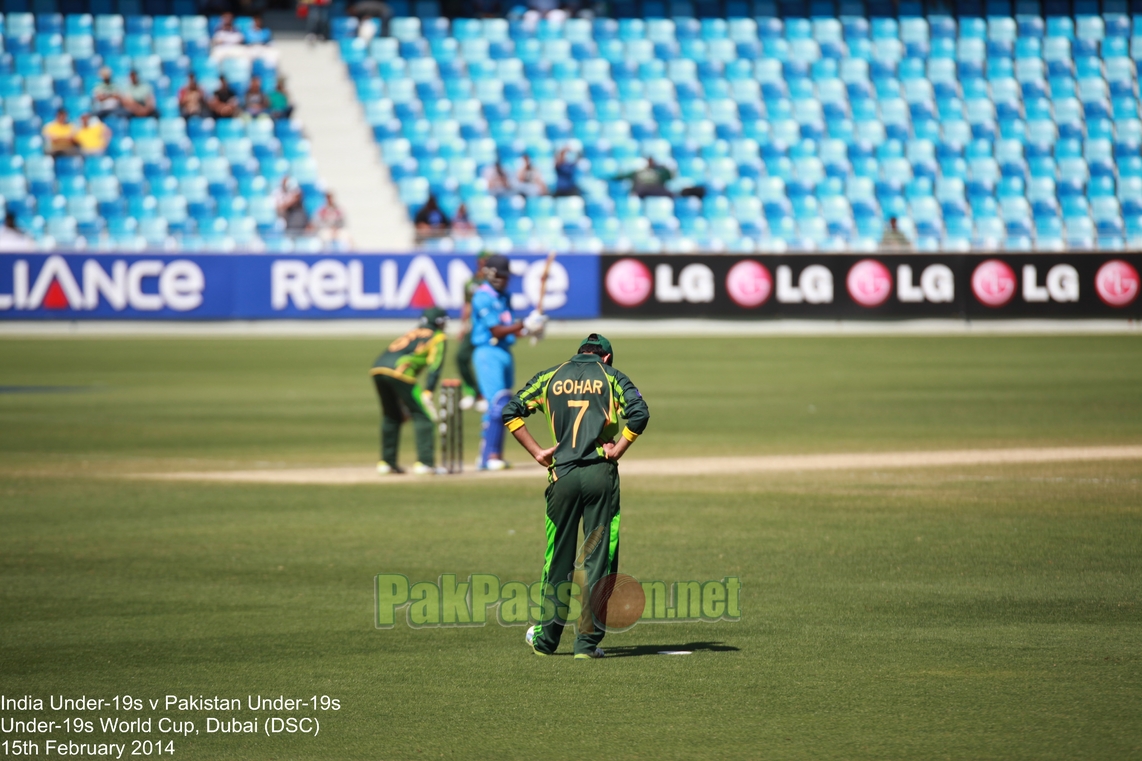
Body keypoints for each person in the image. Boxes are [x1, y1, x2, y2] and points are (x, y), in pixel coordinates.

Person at [504, 333, 649, 658]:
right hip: (600, 473)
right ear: (606, 358)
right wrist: (619, 449)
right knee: (599, 558)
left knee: (558, 557)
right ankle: (586, 643)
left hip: (562, 473)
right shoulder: (612, 377)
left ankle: (546, 640)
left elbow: (510, 412)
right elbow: (639, 413)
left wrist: (539, 453)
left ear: (579, 353)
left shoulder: (550, 377)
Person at [469, 254, 547, 470]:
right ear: (492, 275)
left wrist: (531, 329)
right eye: (501, 276)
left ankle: (496, 454)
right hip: (487, 351)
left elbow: (509, 330)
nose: (505, 280)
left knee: (505, 405)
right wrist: (523, 323)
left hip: (504, 351)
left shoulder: (505, 297)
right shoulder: (481, 296)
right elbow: (496, 330)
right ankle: (487, 456)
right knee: (496, 403)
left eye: (506, 276)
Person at [369, 308, 449, 476]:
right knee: (424, 415)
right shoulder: (438, 337)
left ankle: (387, 462)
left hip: (377, 369)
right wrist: (428, 391)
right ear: (440, 322)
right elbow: (435, 366)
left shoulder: (412, 332)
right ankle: (425, 463)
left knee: (392, 415)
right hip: (400, 371)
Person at [455, 253, 489, 412]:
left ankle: (484, 395)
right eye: (483, 261)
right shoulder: (471, 282)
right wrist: (463, 326)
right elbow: (467, 305)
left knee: (483, 360)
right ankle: (473, 391)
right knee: (461, 357)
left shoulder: (492, 282)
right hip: (474, 327)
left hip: (489, 327)